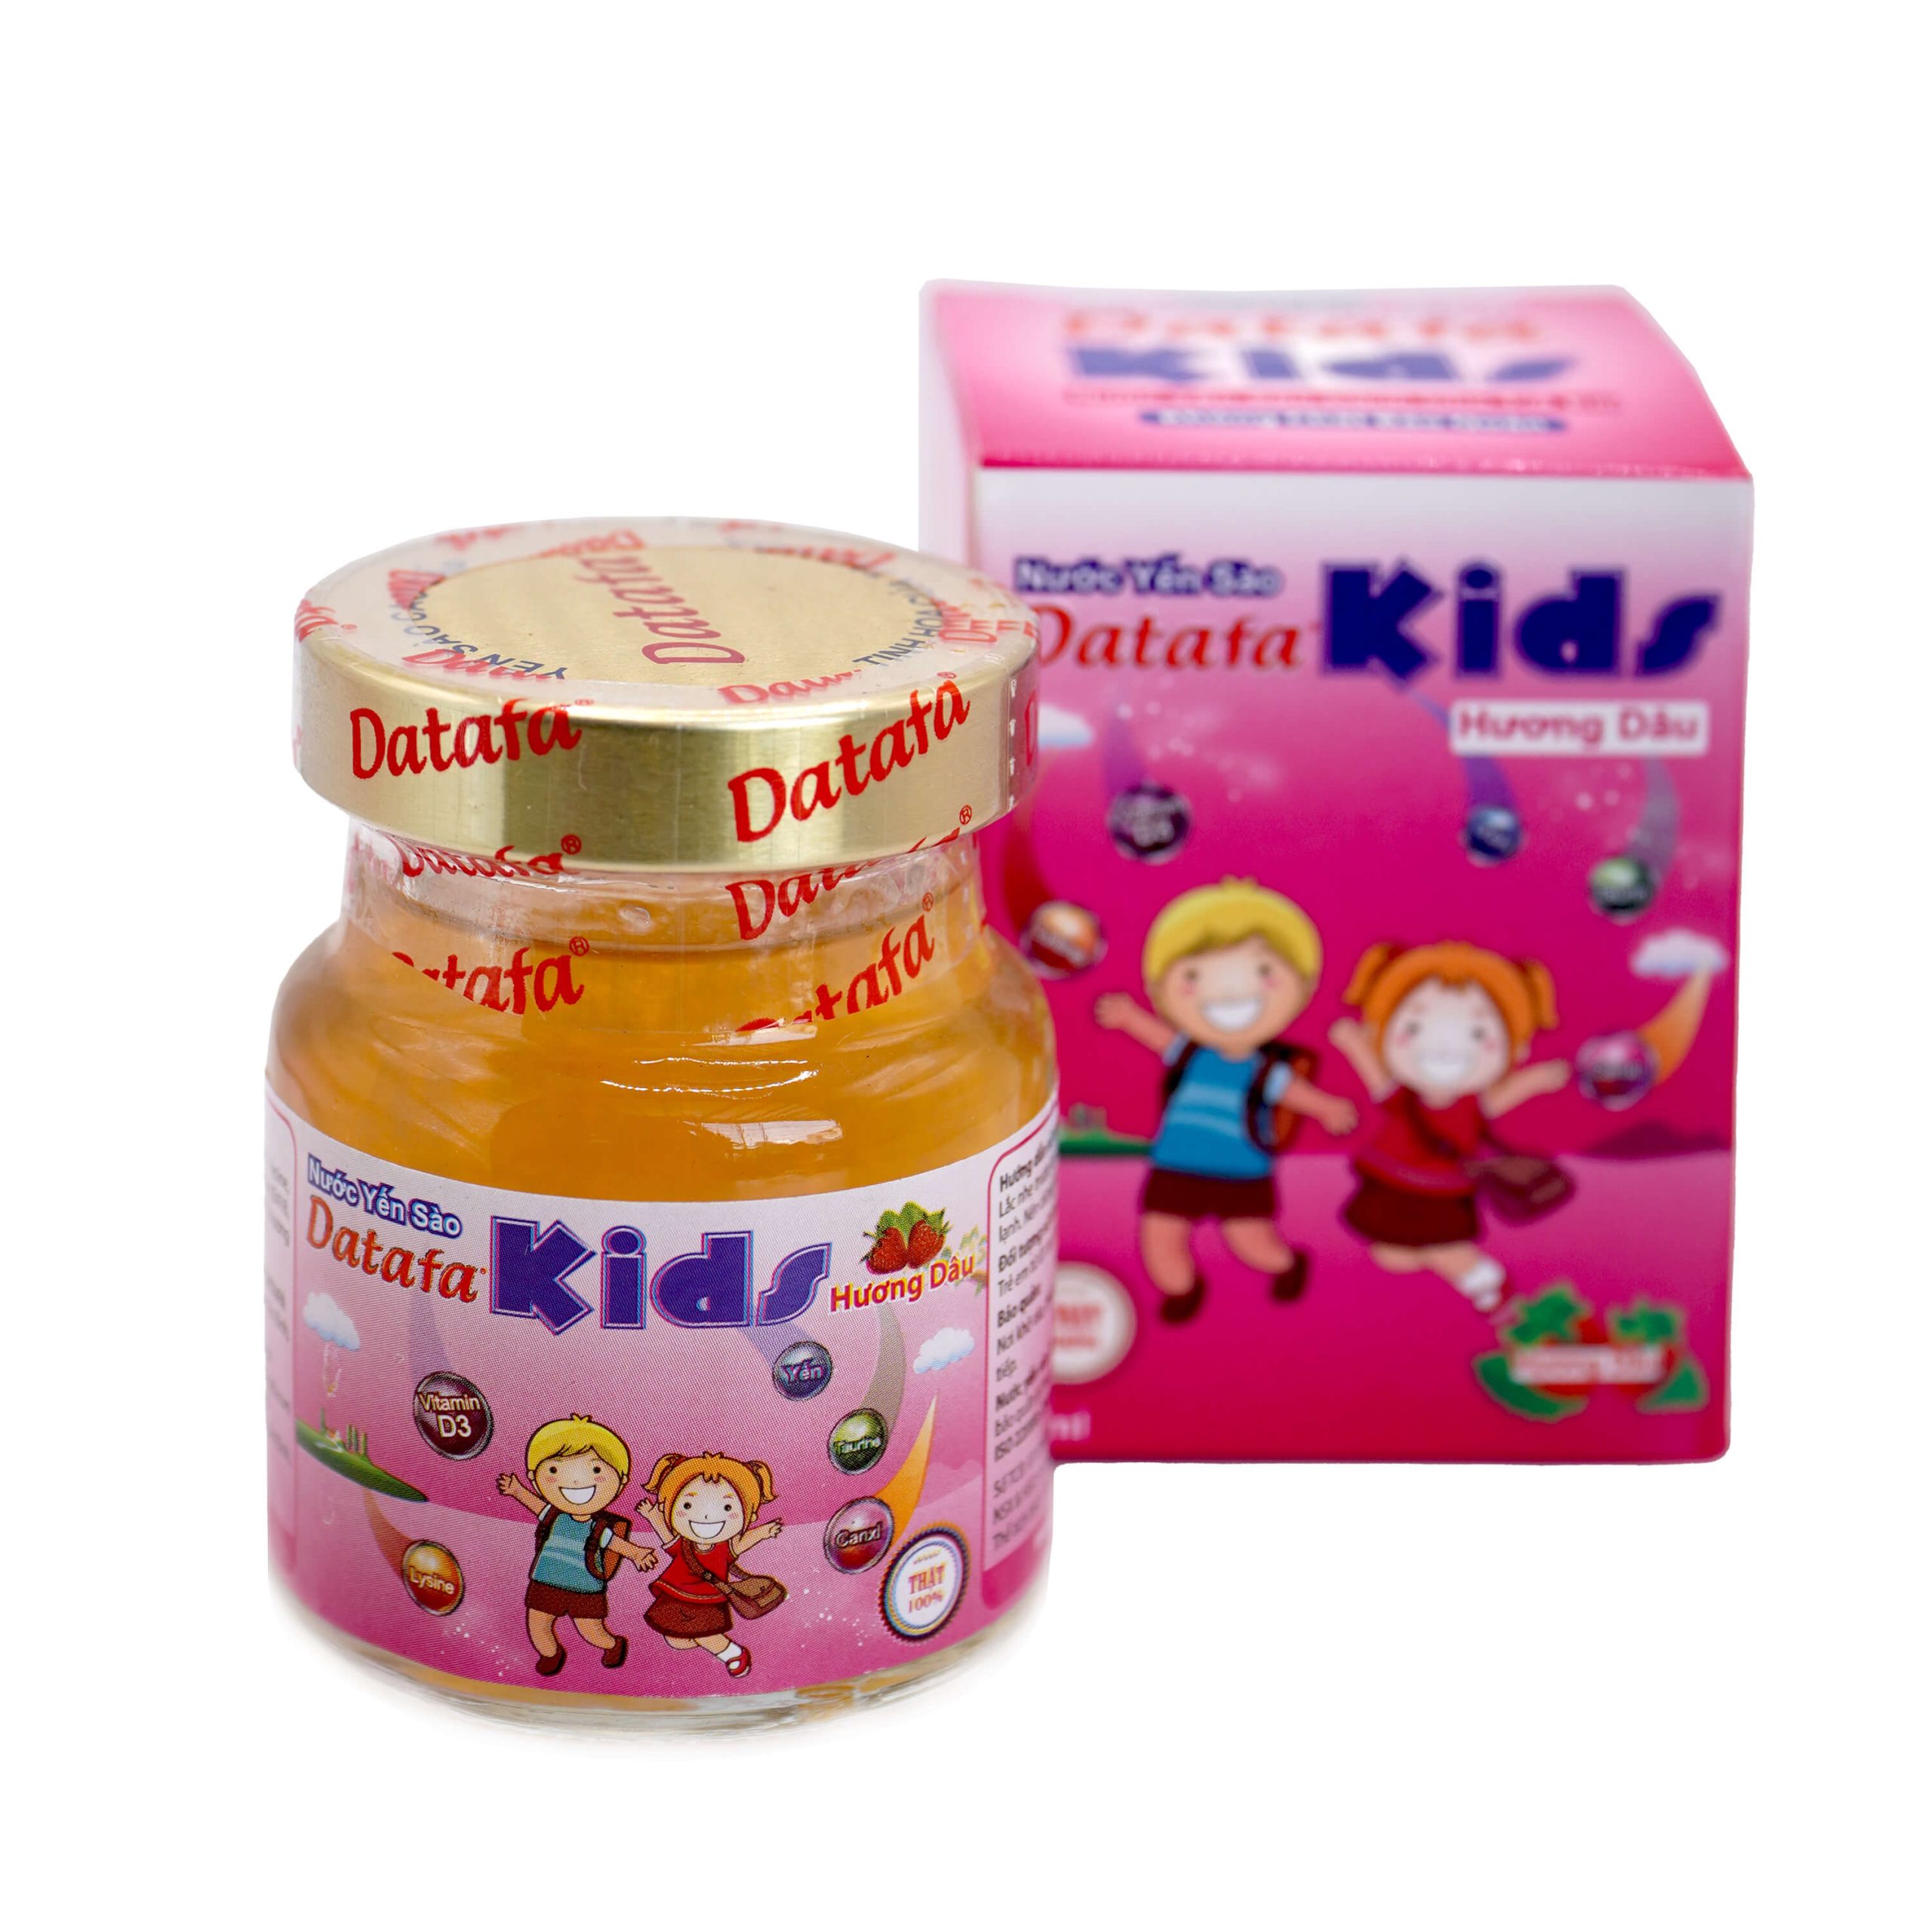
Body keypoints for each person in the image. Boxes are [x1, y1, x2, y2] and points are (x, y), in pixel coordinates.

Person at [1094, 878, 1357, 1322]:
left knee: (1251, 1241)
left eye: (1263, 974)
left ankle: (1286, 1263)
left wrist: (1327, 1107)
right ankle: (1181, 1288)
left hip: (1241, 1170)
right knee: (1160, 1236)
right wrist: (1128, 1016)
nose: (1231, 996)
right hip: (1177, 1164)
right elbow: (1158, 1036)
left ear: (1300, 989)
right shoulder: (1191, 1053)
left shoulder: (1264, 1069)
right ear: (1163, 989)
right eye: (1193, 977)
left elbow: (1293, 1091)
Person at [1328, 941, 1571, 1314]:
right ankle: (1470, 1276)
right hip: (1393, 1182)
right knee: (1391, 1255)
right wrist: (1354, 1046)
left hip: (1443, 1189)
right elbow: (1376, 1075)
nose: (1444, 1049)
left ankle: (1486, 1282)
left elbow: (1504, 1096)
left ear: (1516, 1048)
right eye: (1414, 1027)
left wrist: (1536, 1079)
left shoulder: (1471, 1104)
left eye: (1478, 1035)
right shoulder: (1404, 1098)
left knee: (1442, 1245)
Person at [496, 1414, 657, 1676]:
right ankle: (550, 1654)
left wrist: (637, 1553)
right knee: (538, 1627)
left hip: (585, 1590)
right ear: (535, 1478)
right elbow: (535, 1504)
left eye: (596, 1470)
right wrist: (517, 1490)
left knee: (591, 1631)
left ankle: (612, 1644)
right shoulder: (553, 1515)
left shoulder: (598, 1527)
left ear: (620, 1483)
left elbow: (615, 1543)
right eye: (554, 1470)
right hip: (546, 1582)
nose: (574, 1482)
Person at [638, 1452, 784, 1680]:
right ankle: (713, 1647)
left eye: (727, 1507)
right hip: (677, 1595)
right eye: (688, 1504)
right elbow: (667, 1537)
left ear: (749, 1514)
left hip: (708, 1598)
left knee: (704, 1633)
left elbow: (743, 1542)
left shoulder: (725, 1547)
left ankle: (734, 1654)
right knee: (675, 1640)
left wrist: (763, 1532)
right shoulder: (683, 1544)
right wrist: (652, 1517)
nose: (706, 1516)